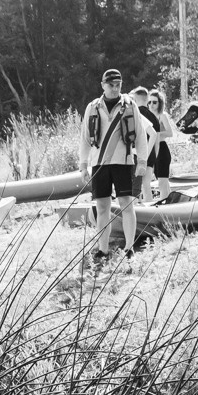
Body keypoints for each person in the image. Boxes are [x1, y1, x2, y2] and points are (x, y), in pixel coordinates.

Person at [81, 69, 145, 266]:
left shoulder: (130, 105)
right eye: (111, 85)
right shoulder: (92, 107)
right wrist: (83, 165)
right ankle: (103, 250)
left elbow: (140, 134)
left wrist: (142, 161)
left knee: (126, 204)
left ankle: (129, 248)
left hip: (123, 162)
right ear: (103, 85)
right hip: (99, 163)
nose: (115, 89)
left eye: (118, 85)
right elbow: (85, 137)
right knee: (102, 207)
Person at [132, 87, 174, 200]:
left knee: (140, 186)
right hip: (152, 154)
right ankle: (152, 205)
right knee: (146, 185)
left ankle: (140, 206)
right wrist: (153, 156)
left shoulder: (136, 113)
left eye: (154, 102)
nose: (151, 104)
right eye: (150, 102)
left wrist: (144, 155)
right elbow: (156, 141)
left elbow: (156, 136)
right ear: (147, 100)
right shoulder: (153, 117)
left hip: (140, 154)